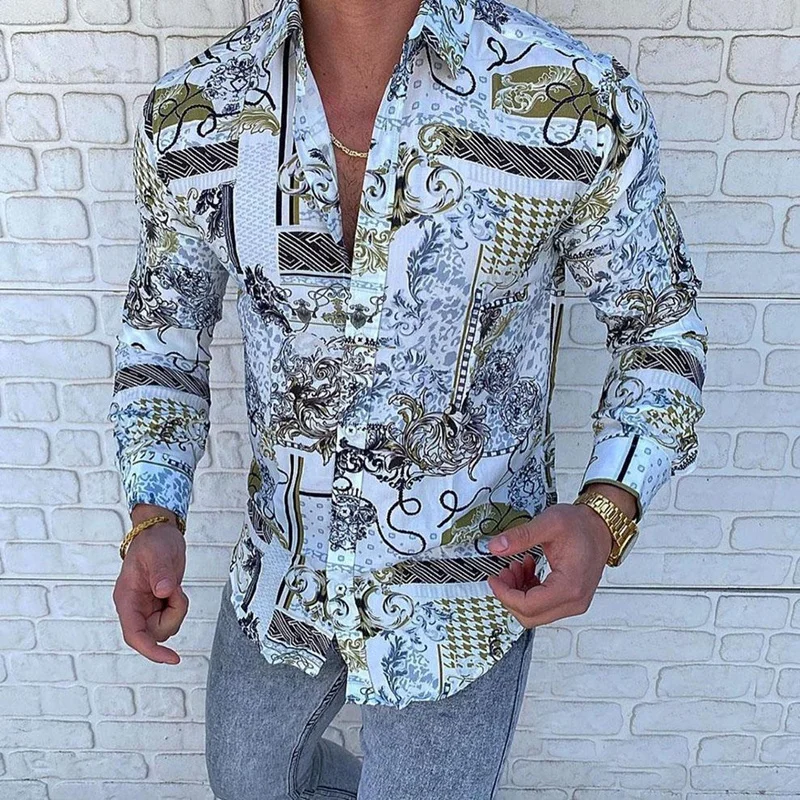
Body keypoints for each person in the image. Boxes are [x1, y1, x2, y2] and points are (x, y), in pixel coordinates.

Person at [107, 0, 708, 797]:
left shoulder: (571, 102)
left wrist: (608, 510)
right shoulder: (194, 115)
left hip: (467, 592)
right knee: (247, 781)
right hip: (282, 570)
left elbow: (659, 328)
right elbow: (162, 339)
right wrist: (154, 515)